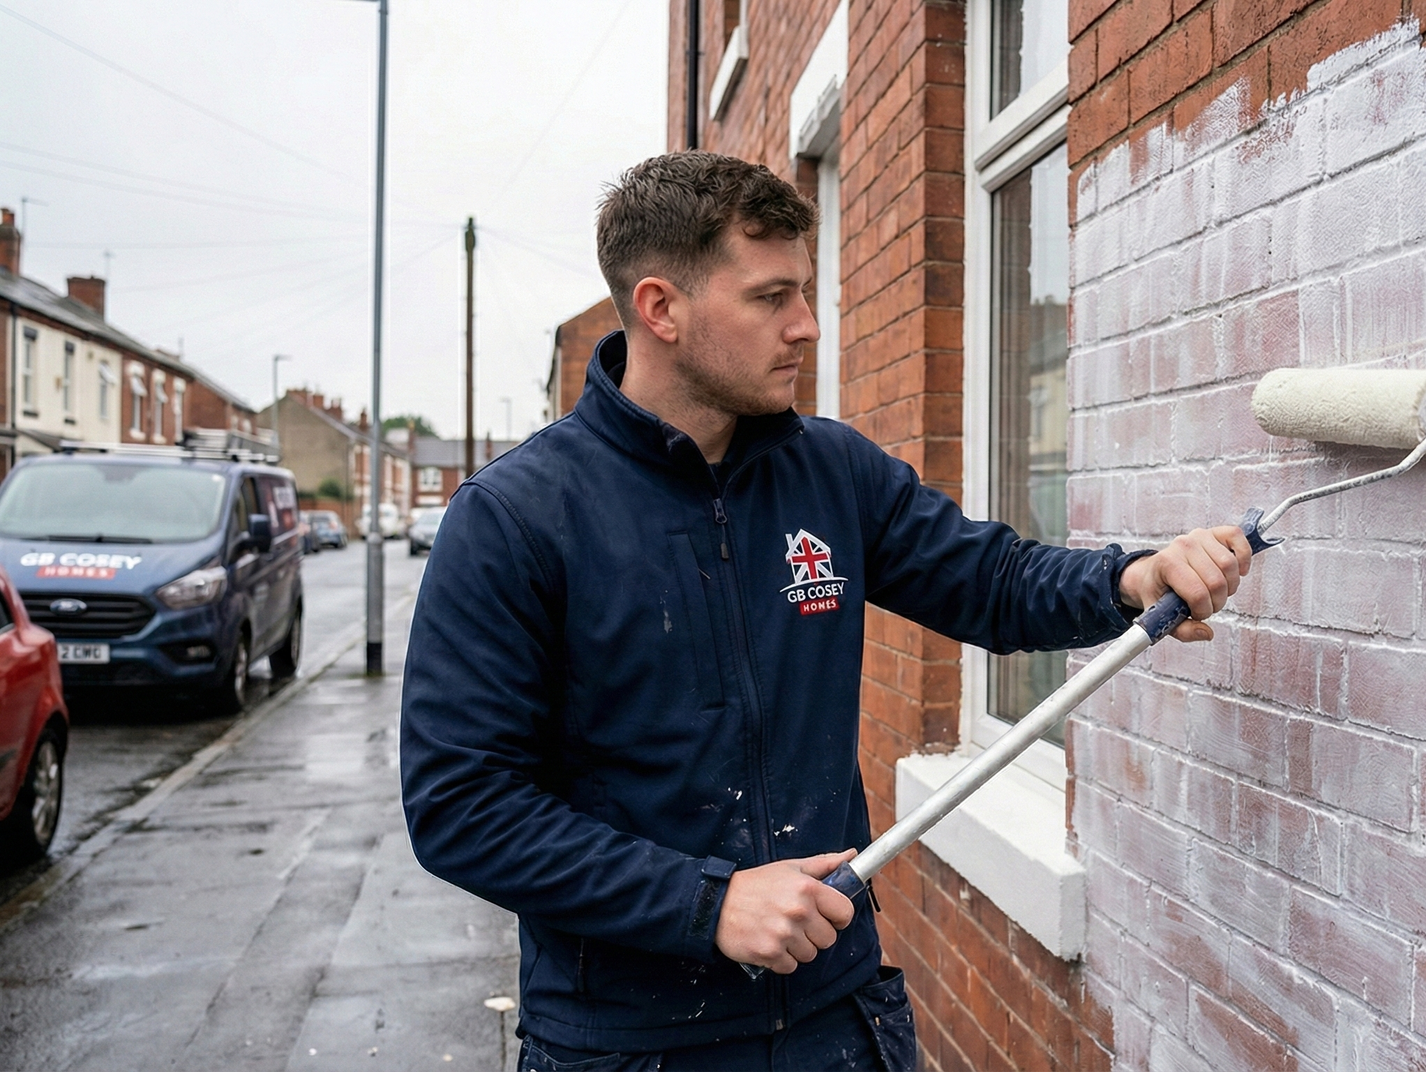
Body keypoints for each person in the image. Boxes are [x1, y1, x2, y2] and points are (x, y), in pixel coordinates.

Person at [399, 151, 1251, 1072]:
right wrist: (706, 902)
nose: (806, 326)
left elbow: (991, 580)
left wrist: (1129, 578)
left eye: (805, 293)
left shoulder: (832, 472)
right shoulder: (516, 519)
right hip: (629, 1044)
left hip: (835, 1022)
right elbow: (462, 806)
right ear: (661, 309)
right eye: (771, 298)